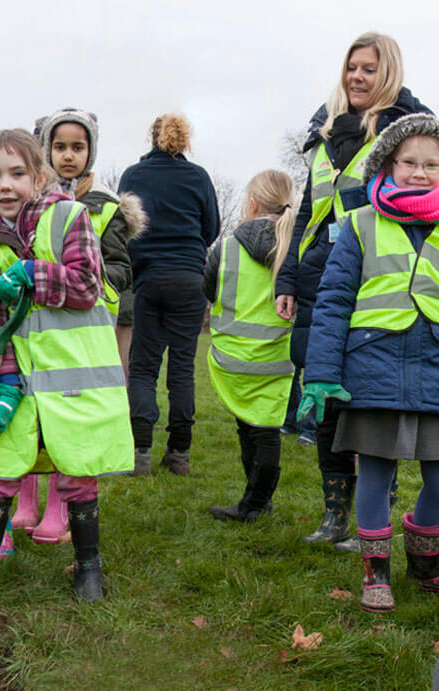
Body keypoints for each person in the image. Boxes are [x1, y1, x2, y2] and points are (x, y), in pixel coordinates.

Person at [0, 128, 131, 606]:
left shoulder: (69, 218)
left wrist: (33, 274)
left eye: (16, 173)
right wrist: (5, 383)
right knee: (1, 468)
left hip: (73, 378)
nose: (4, 185)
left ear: (38, 175)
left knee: (76, 470)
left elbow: (88, 286)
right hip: (20, 381)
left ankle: (88, 569)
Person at [276, 32, 431, 552]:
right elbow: (306, 212)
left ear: (387, 72)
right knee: (326, 398)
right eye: (351, 68)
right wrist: (287, 279)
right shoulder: (324, 136)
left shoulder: (404, 131)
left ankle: (377, 510)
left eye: (369, 68)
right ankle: (335, 512)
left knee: (366, 403)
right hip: (322, 275)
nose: (357, 77)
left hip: (377, 280)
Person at [301, 113, 439, 613]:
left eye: (432, 164)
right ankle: (374, 572)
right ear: (388, 164)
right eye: (409, 162)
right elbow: (334, 301)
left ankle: (424, 558)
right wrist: (320, 373)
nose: (420, 173)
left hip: (434, 370)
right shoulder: (359, 223)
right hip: (372, 367)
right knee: (376, 472)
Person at [12, 108, 146, 545]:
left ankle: (60, 507)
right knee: (27, 409)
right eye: (59, 147)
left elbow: (122, 268)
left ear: (90, 152)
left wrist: (87, 272)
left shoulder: (102, 207)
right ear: (45, 151)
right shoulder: (26, 200)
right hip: (33, 324)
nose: (68, 156)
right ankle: (25, 500)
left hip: (80, 327)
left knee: (68, 416)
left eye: (78, 147)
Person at [118, 113, 220, 475]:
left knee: (143, 367)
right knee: (181, 368)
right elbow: (211, 229)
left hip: (148, 278)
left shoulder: (133, 176)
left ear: (151, 138)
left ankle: (140, 451)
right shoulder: (198, 177)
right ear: (185, 140)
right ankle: (179, 453)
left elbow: (123, 226)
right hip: (190, 280)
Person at [203, 170, 296, 522]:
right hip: (278, 357)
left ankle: (254, 503)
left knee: (247, 427)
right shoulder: (295, 247)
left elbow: (207, 290)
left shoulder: (226, 247)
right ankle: (257, 502)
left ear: (253, 203)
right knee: (267, 429)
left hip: (233, 355)